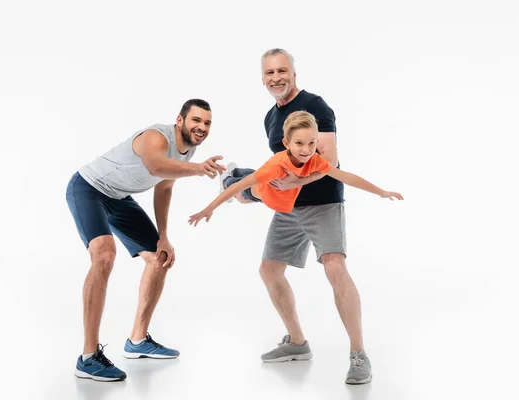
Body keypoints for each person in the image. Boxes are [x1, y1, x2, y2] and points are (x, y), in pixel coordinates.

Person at [233, 48, 390, 385]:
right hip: (292, 207)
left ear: (293, 72)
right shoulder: (270, 118)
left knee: (335, 266)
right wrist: (262, 191)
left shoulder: (316, 106)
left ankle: (359, 355)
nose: (276, 78)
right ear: (263, 78)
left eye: (282, 71)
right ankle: (297, 343)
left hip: (323, 203)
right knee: (269, 270)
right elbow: (283, 165)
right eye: (269, 73)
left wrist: (299, 181)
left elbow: (329, 160)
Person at [65, 99, 225, 382]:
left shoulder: (189, 150)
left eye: (207, 123)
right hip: (89, 188)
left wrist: (163, 236)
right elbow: (154, 166)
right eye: (196, 120)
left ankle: (137, 341)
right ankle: (88, 358)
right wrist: (199, 169)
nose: (201, 127)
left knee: (160, 259)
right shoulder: (156, 136)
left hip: (118, 198)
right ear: (180, 120)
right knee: (104, 255)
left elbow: (164, 187)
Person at [188, 110, 402, 224]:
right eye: (299, 143)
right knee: (238, 188)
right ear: (286, 143)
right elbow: (240, 187)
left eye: (311, 143)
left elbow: (346, 177)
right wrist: (209, 208)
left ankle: (235, 170)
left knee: (253, 173)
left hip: (268, 182)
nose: (306, 150)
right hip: (256, 193)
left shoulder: (315, 160)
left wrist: (381, 192)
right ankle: (227, 175)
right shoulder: (276, 165)